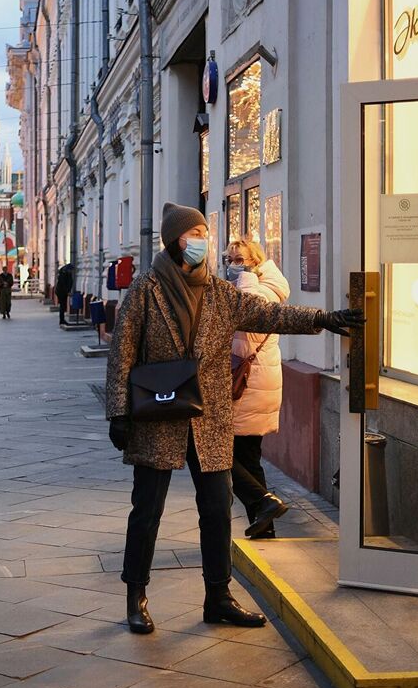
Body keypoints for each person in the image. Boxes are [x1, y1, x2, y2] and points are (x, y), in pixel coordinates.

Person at [105, 202, 364, 635]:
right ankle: (136, 595)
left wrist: (323, 318)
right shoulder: (146, 290)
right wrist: (118, 411)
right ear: (174, 241)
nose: (202, 241)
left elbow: (271, 314)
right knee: (147, 510)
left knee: (217, 510)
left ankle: (219, 597)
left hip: (209, 416)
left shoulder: (218, 292)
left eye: (204, 234)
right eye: (194, 234)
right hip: (157, 416)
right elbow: (122, 352)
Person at [226, 239, 291, 539]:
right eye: (230, 259)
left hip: (249, 386)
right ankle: (265, 522)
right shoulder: (257, 287)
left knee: (221, 455)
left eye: (240, 259)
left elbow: (249, 314)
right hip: (253, 384)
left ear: (255, 261)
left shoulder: (259, 290)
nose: (234, 264)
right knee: (248, 457)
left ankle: (265, 504)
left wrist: (245, 278)